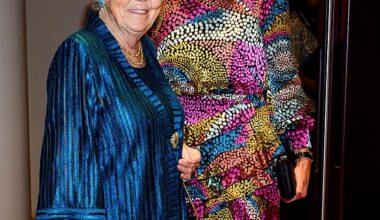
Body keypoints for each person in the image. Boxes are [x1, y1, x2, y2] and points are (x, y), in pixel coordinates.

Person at [149, 0, 315, 218]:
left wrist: (302, 151)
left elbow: (282, 75)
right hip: (176, 157)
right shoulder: (154, 4)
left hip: (249, 163)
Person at [36, 0, 200, 219]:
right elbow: (68, 181)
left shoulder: (146, 50)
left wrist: (175, 151)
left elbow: (131, 136)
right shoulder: (79, 52)